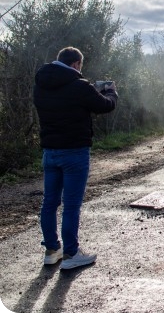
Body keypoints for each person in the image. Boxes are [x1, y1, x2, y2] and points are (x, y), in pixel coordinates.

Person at [33, 46, 118, 270]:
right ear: (76, 64)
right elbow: (105, 106)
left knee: (49, 203)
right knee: (71, 205)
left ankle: (52, 250)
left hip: (50, 151)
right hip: (74, 152)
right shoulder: (79, 86)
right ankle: (71, 253)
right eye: (81, 66)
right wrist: (110, 92)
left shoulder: (40, 83)